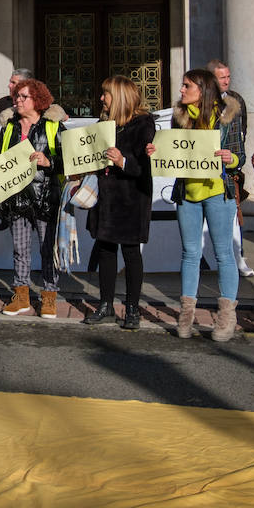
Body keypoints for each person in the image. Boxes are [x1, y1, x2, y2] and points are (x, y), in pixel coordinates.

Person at [148, 68, 245, 342]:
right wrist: (157, 151)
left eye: (186, 86)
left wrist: (231, 159)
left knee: (224, 253)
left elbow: (240, 155)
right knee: (190, 253)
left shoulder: (228, 116)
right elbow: (173, 152)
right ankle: (186, 314)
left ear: (201, 89)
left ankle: (226, 315)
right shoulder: (179, 118)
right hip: (188, 193)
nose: (181, 90)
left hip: (217, 192)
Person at [81, 76, 156, 330]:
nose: (101, 99)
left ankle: (132, 309)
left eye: (106, 94)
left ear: (120, 96)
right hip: (106, 200)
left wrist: (122, 161)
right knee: (105, 250)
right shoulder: (103, 123)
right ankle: (106, 305)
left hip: (131, 199)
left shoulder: (143, 124)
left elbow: (145, 167)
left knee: (131, 253)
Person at [0, 78, 65, 319]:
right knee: (20, 249)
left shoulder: (53, 127)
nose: (17, 101)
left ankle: (49, 296)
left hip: (45, 197)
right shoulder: (8, 127)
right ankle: (21, 296)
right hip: (16, 197)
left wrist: (49, 162)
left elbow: (68, 161)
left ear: (37, 101)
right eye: (16, 97)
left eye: (24, 97)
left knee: (46, 249)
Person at [206, 58, 254, 278]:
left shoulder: (236, 102)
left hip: (226, 171)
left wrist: (234, 160)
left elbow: (239, 136)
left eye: (228, 76)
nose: (226, 81)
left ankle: (239, 256)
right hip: (203, 171)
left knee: (234, 220)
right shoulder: (199, 102)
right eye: (221, 77)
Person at [0, 69, 69, 122]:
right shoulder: (0, 104)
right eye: (10, 82)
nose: (9, 85)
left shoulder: (43, 106)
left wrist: (61, 116)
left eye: (13, 83)